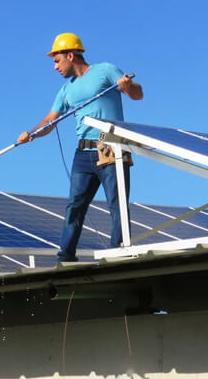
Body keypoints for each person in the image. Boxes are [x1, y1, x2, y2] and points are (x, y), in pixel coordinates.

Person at [17, 32, 144, 261]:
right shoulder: (67, 90)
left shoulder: (104, 70)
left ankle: (119, 254)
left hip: (110, 147)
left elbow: (138, 94)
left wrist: (127, 85)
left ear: (71, 55)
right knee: (74, 206)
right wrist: (32, 134)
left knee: (117, 205)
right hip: (83, 154)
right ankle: (65, 257)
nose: (55, 67)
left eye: (57, 61)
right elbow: (50, 121)